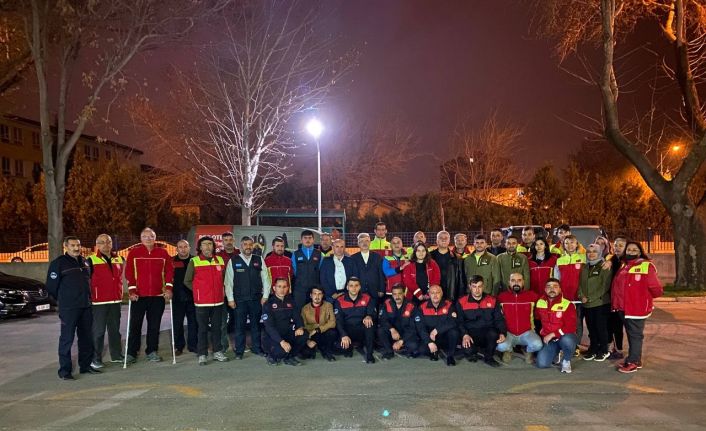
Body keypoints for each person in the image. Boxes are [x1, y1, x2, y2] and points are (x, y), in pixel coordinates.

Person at [47, 236, 99, 380]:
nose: (76, 248)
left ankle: (85, 366)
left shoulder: (85, 262)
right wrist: (64, 301)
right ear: (66, 247)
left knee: (86, 338)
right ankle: (65, 371)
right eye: (72, 245)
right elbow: (51, 287)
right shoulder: (58, 263)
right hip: (69, 309)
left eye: (78, 245)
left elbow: (88, 281)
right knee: (67, 339)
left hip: (85, 306)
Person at [611, 241, 663, 373]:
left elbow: (656, 288)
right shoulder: (625, 265)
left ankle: (633, 362)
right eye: (629, 249)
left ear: (640, 252)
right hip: (623, 308)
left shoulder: (646, 266)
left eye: (635, 250)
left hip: (636, 309)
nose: (631, 252)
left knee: (635, 336)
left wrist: (643, 299)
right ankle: (633, 358)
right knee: (631, 334)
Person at [125, 228, 174, 364]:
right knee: (135, 325)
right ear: (141, 238)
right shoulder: (134, 253)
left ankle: (152, 351)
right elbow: (129, 273)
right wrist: (132, 291)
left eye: (151, 236)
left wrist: (168, 289)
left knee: (154, 326)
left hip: (157, 296)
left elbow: (169, 272)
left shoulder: (163, 253)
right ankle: (132, 353)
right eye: (145, 236)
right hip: (138, 296)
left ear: (155, 238)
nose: (148, 238)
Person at [183, 236, 229, 365]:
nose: (207, 246)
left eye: (210, 244)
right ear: (200, 247)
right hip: (202, 302)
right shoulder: (194, 261)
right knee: (202, 329)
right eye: (204, 244)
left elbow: (224, 279)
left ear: (213, 246)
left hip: (218, 301)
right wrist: (199, 291)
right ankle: (202, 354)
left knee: (217, 328)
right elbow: (187, 281)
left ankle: (217, 352)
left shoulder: (220, 260)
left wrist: (222, 291)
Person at [225, 236, 271, 359]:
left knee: (256, 325)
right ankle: (239, 351)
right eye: (245, 244)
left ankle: (257, 348)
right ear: (241, 246)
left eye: (250, 244)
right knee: (239, 326)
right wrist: (230, 299)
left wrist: (265, 296)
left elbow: (266, 279)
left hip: (256, 299)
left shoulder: (259, 259)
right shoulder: (233, 260)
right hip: (239, 300)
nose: (248, 247)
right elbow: (228, 282)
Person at [87, 234, 125, 369]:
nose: (106, 245)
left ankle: (116, 355)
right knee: (98, 332)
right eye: (102, 242)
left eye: (108, 242)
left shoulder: (119, 259)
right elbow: (87, 281)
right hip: (99, 302)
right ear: (97, 245)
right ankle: (95, 359)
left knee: (115, 331)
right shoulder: (90, 260)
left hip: (115, 301)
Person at [456, 276, 506, 368]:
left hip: (487, 332)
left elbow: (499, 319)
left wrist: (502, 332)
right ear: (470, 287)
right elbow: (459, 321)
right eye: (474, 286)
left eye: (479, 286)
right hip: (470, 333)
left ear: (483, 286)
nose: (477, 290)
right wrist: (464, 334)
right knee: (469, 351)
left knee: (493, 333)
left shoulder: (492, 300)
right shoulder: (461, 301)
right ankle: (474, 350)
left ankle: (489, 358)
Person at [497, 272, 542, 364]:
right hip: (508, 333)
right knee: (501, 347)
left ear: (523, 282)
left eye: (519, 280)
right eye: (513, 280)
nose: (516, 283)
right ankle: (508, 350)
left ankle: (528, 351)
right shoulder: (501, 297)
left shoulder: (532, 295)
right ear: (509, 282)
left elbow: (545, 301)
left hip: (527, 332)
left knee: (538, 345)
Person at [535, 278, 577, 373]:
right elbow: (537, 319)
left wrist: (553, 334)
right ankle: (557, 352)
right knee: (542, 364)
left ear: (560, 289)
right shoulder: (540, 303)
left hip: (564, 336)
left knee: (567, 340)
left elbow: (571, 326)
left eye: (555, 286)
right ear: (545, 289)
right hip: (550, 340)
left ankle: (566, 360)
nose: (552, 289)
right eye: (549, 286)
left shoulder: (567, 304)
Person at [578, 244, 613, 362]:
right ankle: (593, 349)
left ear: (599, 253)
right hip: (587, 304)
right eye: (589, 251)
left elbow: (605, 286)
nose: (591, 254)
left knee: (601, 328)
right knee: (591, 328)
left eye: (594, 251)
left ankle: (604, 350)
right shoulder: (585, 267)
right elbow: (580, 284)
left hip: (600, 303)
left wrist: (590, 298)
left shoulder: (604, 266)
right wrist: (581, 295)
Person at [262, 278, 306, 366]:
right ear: (274, 288)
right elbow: (269, 327)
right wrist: (282, 342)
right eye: (279, 286)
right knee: (280, 352)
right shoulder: (268, 304)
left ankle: (289, 357)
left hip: (287, 332)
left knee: (304, 335)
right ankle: (272, 356)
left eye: (284, 287)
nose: (282, 289)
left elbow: (297, 318)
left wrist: (300, 327)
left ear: (288, 288)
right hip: (273, 336)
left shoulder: (291, 302)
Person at [554, 234, 586, 354]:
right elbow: (556, 278)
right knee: (564, 322)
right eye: (566, 243)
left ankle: (576, 346)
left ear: (577, 244)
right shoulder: (559, 260)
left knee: (577, 322)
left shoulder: (583, 258)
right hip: (565, 298)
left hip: (578, 297)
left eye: (572, 242)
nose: (569, 245)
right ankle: (565, 345)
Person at [334, 277, 376, 363]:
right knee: (344, 351)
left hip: (361, 329)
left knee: (369, 324)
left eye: (356, 285)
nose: (354, 288)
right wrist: (343, 335)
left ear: (360, 287)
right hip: (348, 330)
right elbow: (338, 320)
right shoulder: (339, 300)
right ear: (347, 287)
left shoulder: (367, 298)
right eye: (351, 285)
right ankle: (351, 346)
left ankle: (369, 354)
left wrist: (369, 316)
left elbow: (373, 312)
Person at [414, 284, 459, 366]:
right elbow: (420, 328)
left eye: (437, 292)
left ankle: (450, 356)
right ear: (429, 294)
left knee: (454, 332)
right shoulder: (422, 307)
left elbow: (453, 321)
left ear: (441, 294)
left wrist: (437, 330)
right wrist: (429, 342)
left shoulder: (449, 305)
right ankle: (434, 351)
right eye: (432, 293)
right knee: (421, 350)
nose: (435, 295)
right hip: (431, 338)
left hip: (445, 336)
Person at [377, 283, 420, 359]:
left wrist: (401, 341)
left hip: (406, 334)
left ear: (403, 293)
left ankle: (400, 346)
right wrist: (392, 329)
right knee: (381, 331)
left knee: (414, 346)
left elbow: (413, 328)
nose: (397, 297)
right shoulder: (387, 303)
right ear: (392, 295)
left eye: (399, 294)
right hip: (392, 333)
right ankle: (389, 351)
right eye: (394, 294)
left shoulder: (411, 305)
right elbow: (383, 320)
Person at [171, 240, 197, 356]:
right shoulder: (172, 261)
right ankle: (179, 346)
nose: (183, 249)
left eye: (185, 246)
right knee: (177, 323)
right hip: (177, 298)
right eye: (180, 247)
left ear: (189, 248)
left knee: (194, 323)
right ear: (176, 249)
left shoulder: (195, 260)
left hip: (193, 297)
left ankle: (193, 345)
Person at [216, 231, 239, 354]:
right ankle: (224, 346)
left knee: (238, 320)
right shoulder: (218, 256)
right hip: (223, 293)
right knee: (223, 322)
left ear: (234, 240)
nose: (228, 242)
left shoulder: (240, 254)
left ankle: (239, 346)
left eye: (230, 240)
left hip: (238, 292)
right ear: (222, 242)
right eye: (226, 240)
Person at [300, 285, 337, 361]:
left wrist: (318, 329)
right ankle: (316, 347)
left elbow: (332, 322)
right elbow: (303, 325)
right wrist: (308, 340)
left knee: (332, 332)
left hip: (323, 332)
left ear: (323, 295)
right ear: (311, 295)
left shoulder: (328, 305)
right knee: (305, 355)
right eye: (315, 293)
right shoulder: (305, 308)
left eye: (319, 294)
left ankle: (326, 351)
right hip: (311, 334)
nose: (317, 296)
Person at [608, 235, 628, 359]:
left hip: (625, 300)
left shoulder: (628, 262)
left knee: (627, 328)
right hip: (614, 300)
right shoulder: (613, 260)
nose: (617, 248)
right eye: (615, 245)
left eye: (621, 245)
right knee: (615, 326)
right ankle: (617, 349)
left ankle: (629, 352)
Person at [291, 230, 322, 311]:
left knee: (314, 312)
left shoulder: (319, 254)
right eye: (305, 238)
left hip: (314, 290)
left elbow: (321, 271)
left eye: (310, 238)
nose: (307, 240)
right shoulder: (295, 254)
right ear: (301, 240)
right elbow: (294, 271)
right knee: (299, 311)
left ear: (313, 240)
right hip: (300, 290)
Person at [350, 233, 386, 304]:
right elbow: (351, 275)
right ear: (358, 244)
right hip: (359, 291)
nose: (364, 243)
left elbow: (381, 274)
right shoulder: (353, 258)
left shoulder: (377, 257)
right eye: (361, 241)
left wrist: (381, 289)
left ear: (370, 242)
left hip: (375, 291)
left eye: (367, 241)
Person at [430, 230, 455, 299]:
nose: (444, 239)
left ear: (449, 241)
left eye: (446, 238)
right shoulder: (429, 256)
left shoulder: (455, 257)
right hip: (434, 292)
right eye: (441, 238)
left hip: (450, 292)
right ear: (437, 241)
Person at [446, 233, 470, 301]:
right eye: (458, 240)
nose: (460, 242)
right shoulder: (449, 255)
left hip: (466, 288)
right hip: (452, 289)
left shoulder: (471, 256)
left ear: (466, 241)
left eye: (462, 240)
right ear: (454, 241)